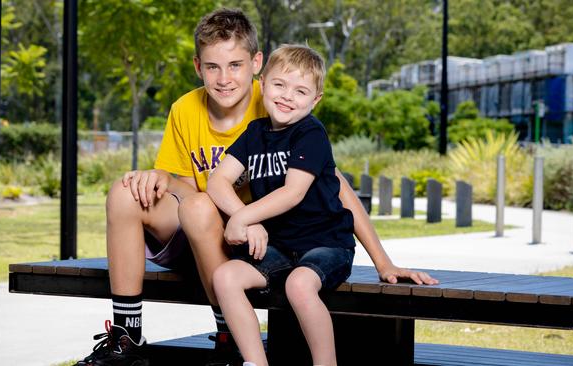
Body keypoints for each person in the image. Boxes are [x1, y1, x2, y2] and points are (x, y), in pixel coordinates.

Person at [78, 7, 437, 366]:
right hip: (208, 229)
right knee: (126, 192)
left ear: (256, 65)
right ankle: (127, 336)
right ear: (197, 66)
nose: (223, 78)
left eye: (235, 65)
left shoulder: (277, 101)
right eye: (212, 67)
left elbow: (333, 184)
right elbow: (188, 188)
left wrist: (383, 261)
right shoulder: (185, 109)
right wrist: (165, 179)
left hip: (263, 244)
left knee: (202, 209)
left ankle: (229, 339)